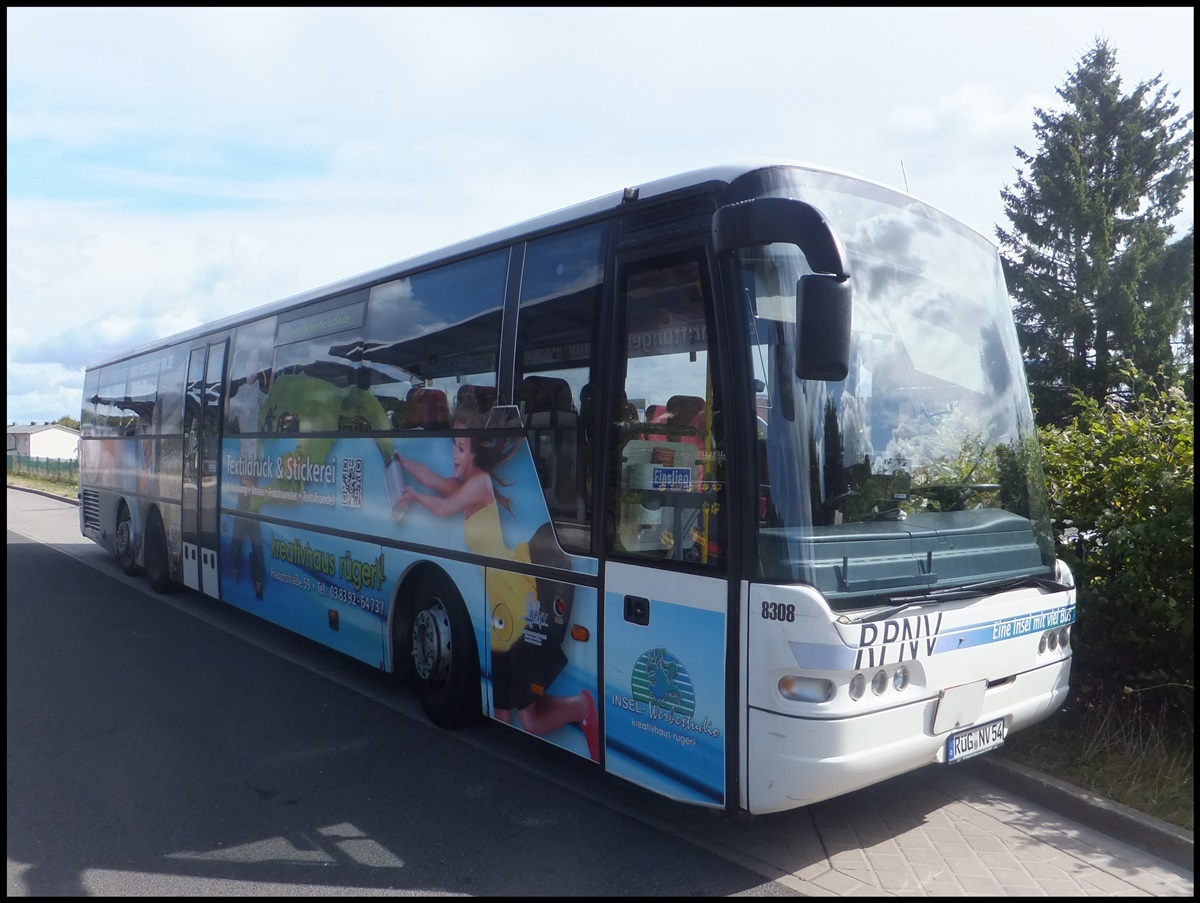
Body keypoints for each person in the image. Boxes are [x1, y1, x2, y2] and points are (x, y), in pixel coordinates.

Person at [393, 396, 600, 761]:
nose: (454, 454)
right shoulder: (466, 483)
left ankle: (583, 706)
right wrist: (401, 461)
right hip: (500, 608)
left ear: (476, 451)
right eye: (452, 445)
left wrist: (412, 496)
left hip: (516, 595)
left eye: (460, 447)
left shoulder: (479, 484)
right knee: (506, 714)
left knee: (526, 719)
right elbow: (436, 481)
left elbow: (443, 506)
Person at [227, 348, 268, 600]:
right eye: (249, 362)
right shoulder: (240, 393)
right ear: (244, 368)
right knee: (249, 518)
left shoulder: (260, 394)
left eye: (255, 362)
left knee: (246, 517)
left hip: (256, 463)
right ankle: (257, 577)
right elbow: (226, 415)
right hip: (245, 463)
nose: (252, 366)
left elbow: (271, 406)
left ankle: (236, 566)